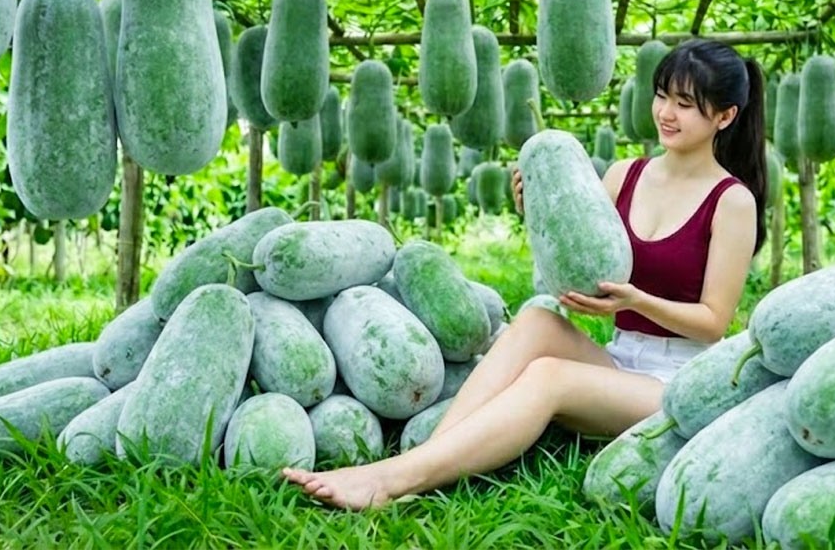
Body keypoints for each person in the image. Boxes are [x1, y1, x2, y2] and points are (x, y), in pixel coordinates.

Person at [283, 39, 768, 510]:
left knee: (548, 377)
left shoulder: (732, 201)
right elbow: (576, 255)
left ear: (724, 116)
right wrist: (538, 207)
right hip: (620, 360)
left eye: (685, 104)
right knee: (537, 320)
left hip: (677, 381)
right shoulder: (624, 174)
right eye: (663, 95)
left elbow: (714, 322)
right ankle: (425, 459)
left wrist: (634, 301)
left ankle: (393, 480)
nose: (665, 112)